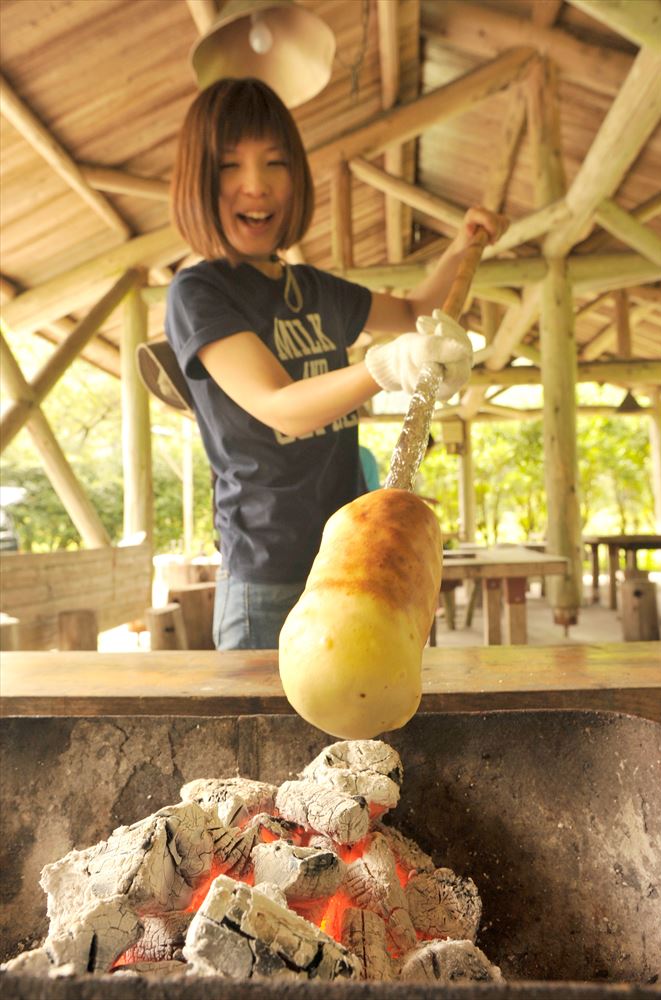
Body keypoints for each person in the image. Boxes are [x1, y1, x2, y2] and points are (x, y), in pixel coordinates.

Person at [165, 77, 507, 650]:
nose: (256, 185)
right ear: (198, 182)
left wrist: (463, 244)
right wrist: (386, 367)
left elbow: (419, 309)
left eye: (275, 162)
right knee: (264, 740)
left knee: (363, 733)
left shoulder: (316, 290)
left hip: (352, 558)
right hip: (268, 576)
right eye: (229, 165)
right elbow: (282, 409)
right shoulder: (198, 293)